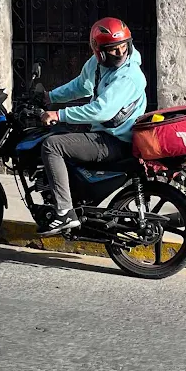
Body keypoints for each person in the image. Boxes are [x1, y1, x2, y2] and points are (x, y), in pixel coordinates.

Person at [40, 17, 148, 234]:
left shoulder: (128, 75)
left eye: (123, 47)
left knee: (52, 145)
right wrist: (50, 96)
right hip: (104, 135)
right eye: (113, 49)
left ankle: (64, 212)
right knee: (63, 136)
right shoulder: (96, 65)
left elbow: (101, 111)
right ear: (99, 51)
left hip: (115, 142)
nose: (120, 53)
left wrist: (59, 114)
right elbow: (81, 86)